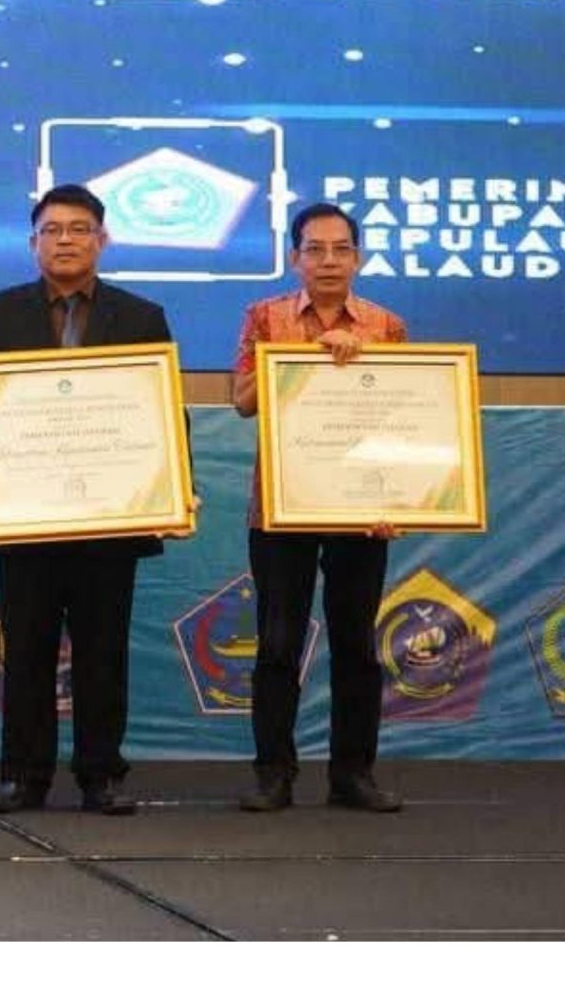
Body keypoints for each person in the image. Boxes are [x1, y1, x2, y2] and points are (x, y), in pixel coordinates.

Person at [0, 184, 174, 816]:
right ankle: (24, 776)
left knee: (104, 652)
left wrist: (174, 485)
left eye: (78, 229)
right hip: (25, 517)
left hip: (111, 518)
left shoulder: (141, 317)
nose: (65, 240)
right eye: (52, 230)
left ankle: (102, 776)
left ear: (102, 240)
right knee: (27, 652)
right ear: (33, 242)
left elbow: (161, 415)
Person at [231, 201, 407, 813]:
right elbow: (242, 400)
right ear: (294, 257)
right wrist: (307, 359)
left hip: (362, 508)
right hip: (282, 507)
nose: (328, 260)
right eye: (314, 249)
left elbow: (402, 417)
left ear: (358, 257)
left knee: (356, 644)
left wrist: (397, 497)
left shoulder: (387, 325)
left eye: (341, 249)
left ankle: (352, 775)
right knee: (278, 643)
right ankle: (273, 774)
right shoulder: (264, 316)